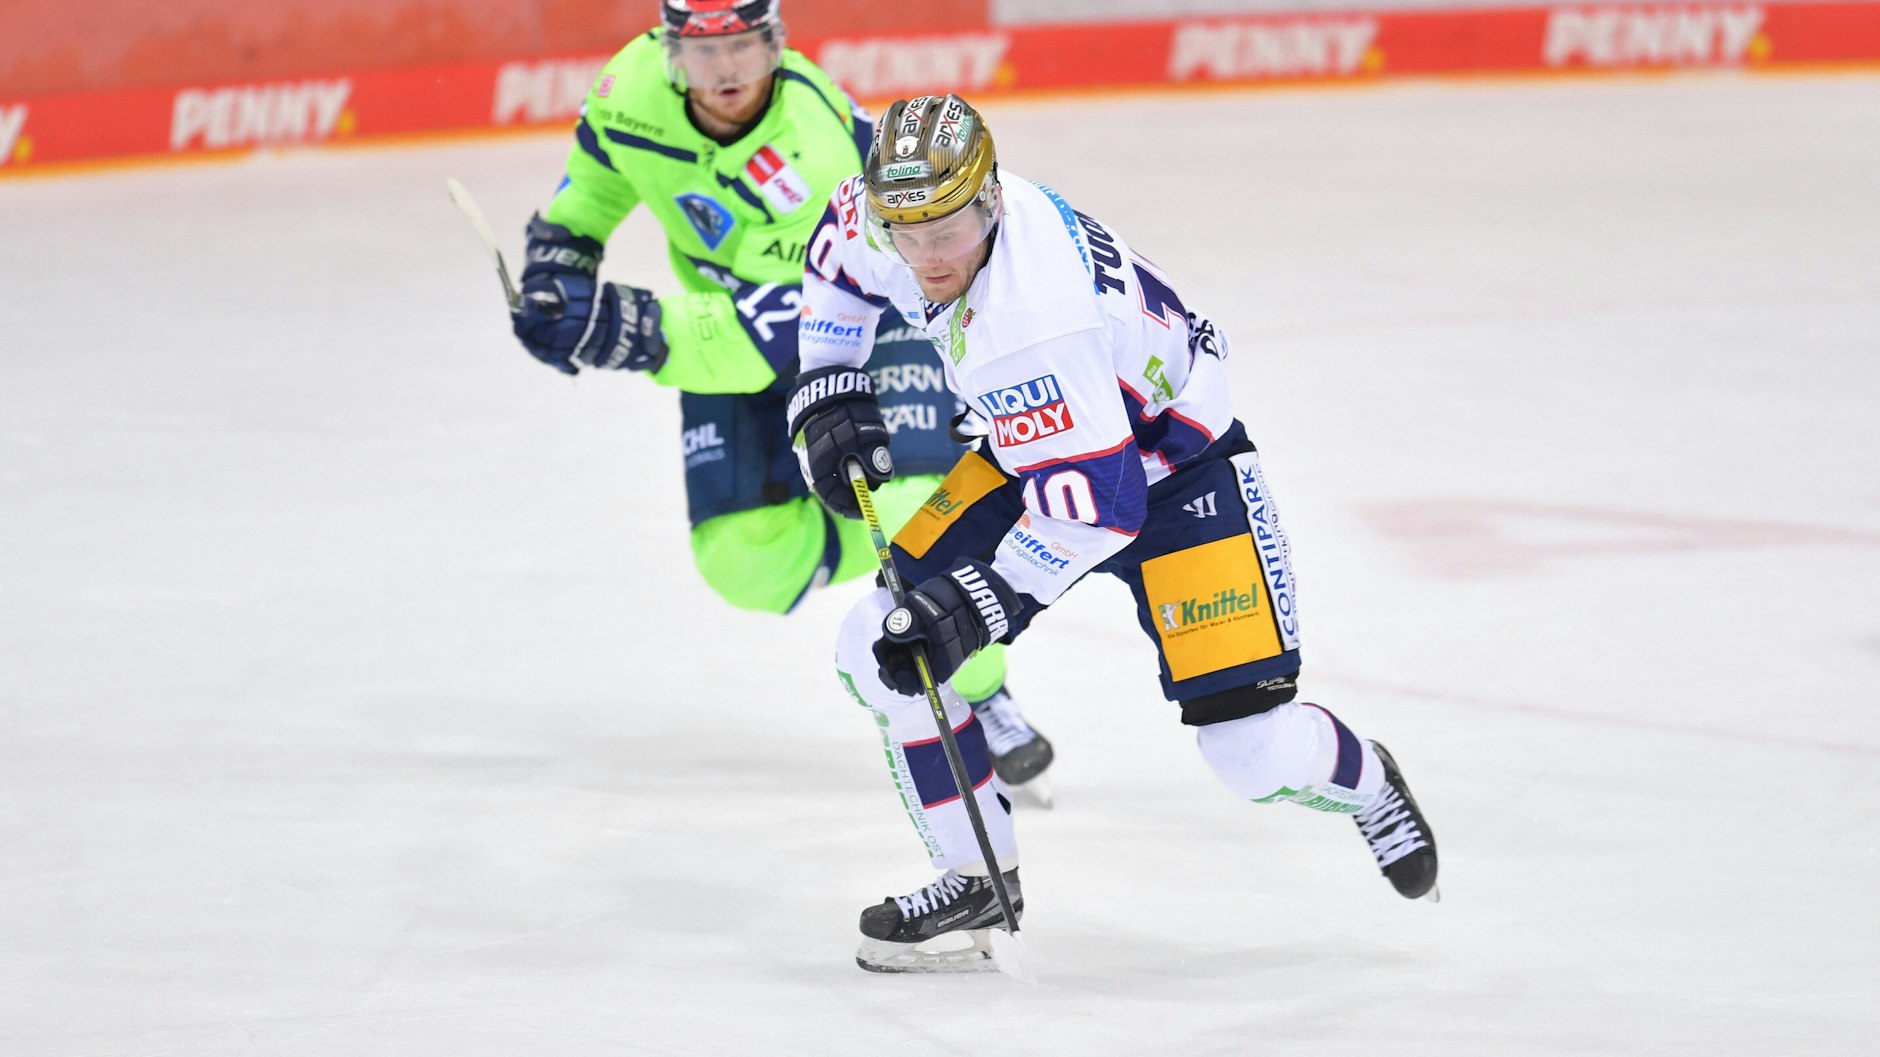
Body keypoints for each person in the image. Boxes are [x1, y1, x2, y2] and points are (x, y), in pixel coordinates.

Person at [785, 94, 1441, 973]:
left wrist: (982, 600)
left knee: (1250, 750)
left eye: (949, 230)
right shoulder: (896, 211)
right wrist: (828, 379)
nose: (929, 256)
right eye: (909, 233)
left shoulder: (1031, 319)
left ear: (990, 204)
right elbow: (837, 256)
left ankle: (1368, 778)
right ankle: (976, 875)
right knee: (883, 643)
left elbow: (1102, 506)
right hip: (1043, 453)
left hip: (1182, 476)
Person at [504, 2, 1052, 791]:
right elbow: (591, 193)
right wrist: (559, 273)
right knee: (742, 561)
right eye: (705, 52)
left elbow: (794, 325)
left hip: (867, 322)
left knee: (915, 516)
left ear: (777, 43)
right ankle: (886, 542)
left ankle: (982, 685)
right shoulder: (627, 90)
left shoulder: (814, 145)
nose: (728, 70)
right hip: (723, 326)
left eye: (746, 46)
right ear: (668, 53)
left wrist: (632, 329)